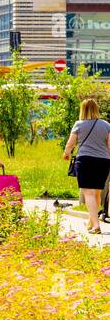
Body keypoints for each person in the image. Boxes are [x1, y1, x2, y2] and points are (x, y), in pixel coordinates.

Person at [63, 98, 110, 234]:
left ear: (83, 109)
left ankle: (96, 226)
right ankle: (91, 221)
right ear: (96, 109)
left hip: (85, 161)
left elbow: (70, 144)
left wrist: (66, 153)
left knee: (88, 192)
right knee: (96, 192)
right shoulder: (106, 125)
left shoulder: (79, 124)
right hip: (103, 162)